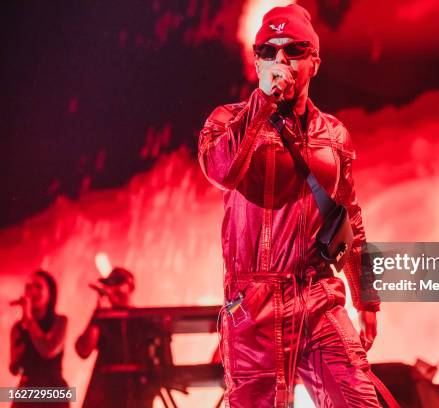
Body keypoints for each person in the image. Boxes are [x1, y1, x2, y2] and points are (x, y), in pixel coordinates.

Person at [198, 4, 385, 407]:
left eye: (294, 49)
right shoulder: (226, 122)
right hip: (253, 305)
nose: (280, 59)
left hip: (317, 296)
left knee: (360, 401)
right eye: (268, 50)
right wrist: (262, 104)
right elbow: (222, 171)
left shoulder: (334, 135)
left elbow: (350, 217)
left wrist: (368, 298)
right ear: (257, 60)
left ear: (314, 61)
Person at [76, 267, 159, 408]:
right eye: (109, 285)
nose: (112, 289)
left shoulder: (144, 320)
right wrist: (97, 315)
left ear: (131, 287)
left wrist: (151, 388)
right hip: (106, 394)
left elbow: (158, 358)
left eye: (118, 284)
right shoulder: (103, 319)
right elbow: (84, 350)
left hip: (137, 393)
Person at [8, 270, 69, 408]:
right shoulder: (18, 327)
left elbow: (48, 350)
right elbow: (14, 369)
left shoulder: (60, 321)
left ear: (50, 293)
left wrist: (29, 320)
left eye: (38, 287)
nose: (32, 292)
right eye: (28, 287)